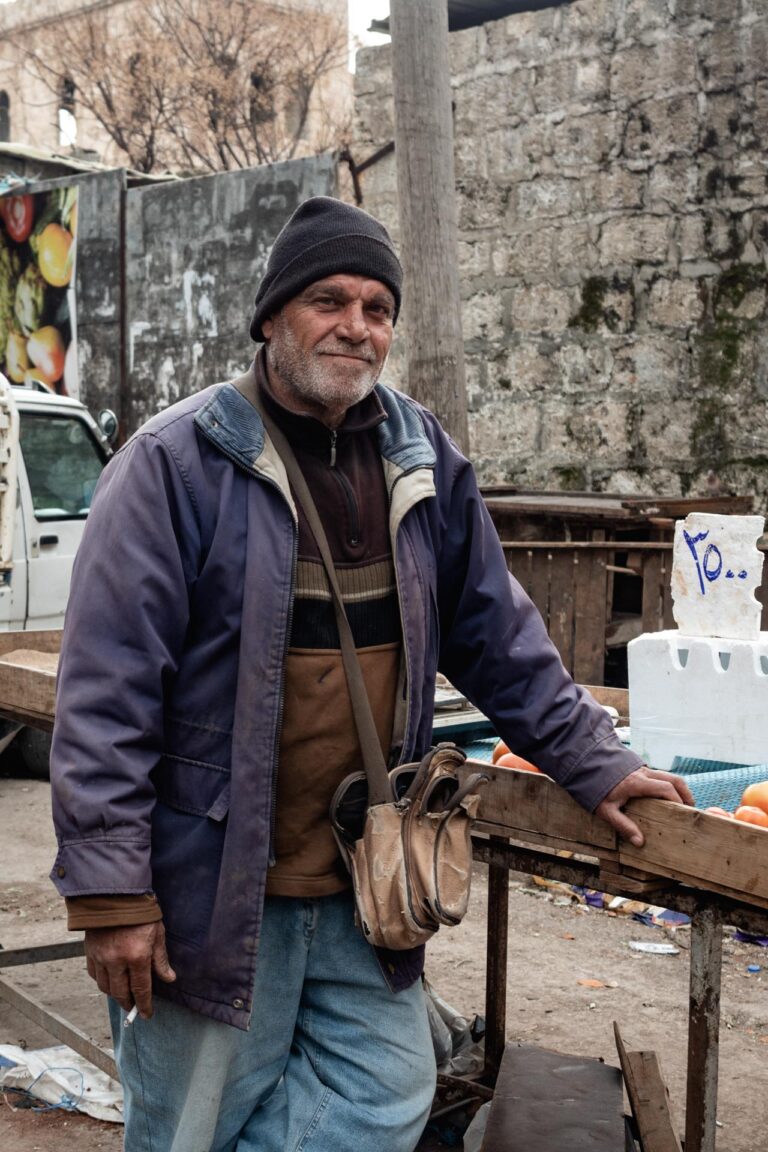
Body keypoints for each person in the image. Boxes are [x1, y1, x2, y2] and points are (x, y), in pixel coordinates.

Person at [50, 196, 692, 1152]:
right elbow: (106, 693)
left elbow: (497, 630)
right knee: (192, 1126)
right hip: (216, 886)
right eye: (327, 300)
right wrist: (112, 898)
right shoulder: (174, 466)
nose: (356, 326)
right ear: (271, 317)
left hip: (362, 879)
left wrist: (592, 759)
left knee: (386, 1094)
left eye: (377, 307)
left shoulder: (418, 454)